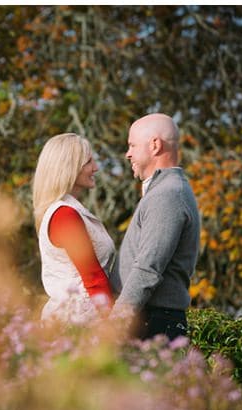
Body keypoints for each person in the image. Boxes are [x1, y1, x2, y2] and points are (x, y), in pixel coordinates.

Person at [111, 113, 201, 340]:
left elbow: (148, 267)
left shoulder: (167, 195)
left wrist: (116, 321)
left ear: (155, 145)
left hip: (152, 324)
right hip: (150, 319)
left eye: (132, 145)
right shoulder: (166, 190)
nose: (127, 153)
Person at [32, 133, 117, 324]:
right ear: (69, 168)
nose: (95, 168)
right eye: (88, 162)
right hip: (81, 321)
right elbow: (93, 277)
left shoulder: (68, 211)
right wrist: (114, 326)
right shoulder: (65, 216)